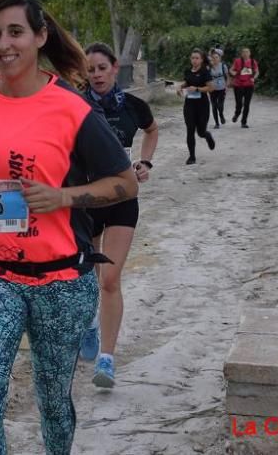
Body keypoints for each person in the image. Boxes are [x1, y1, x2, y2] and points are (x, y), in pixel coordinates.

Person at [0, 0, 139, 455]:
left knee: (51, 400)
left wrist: (63, 197)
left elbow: (126, 183)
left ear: (40, 37)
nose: (4, 44)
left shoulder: (72, 109)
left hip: (61, 280)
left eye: (15, 32)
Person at [80, 42, 159, 389]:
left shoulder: (133, 106)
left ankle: (107, 359)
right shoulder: (76, 106)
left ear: (115, 68)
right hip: (84, 201)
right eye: (90, 69)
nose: (96, 75)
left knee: (110, 280)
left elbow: (152, 129)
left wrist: (145, 162)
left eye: (101, 68)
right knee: (85, 280)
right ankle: (90, 326)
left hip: (123, 198)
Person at [178, 48, 216, 165]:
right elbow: (187, 82)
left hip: (202, 105)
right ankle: (192, 156)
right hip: (189, 104)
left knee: (200, 132)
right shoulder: (188, 71)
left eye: (197, 58)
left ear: (201, 59)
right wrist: (180, 87)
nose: (194, 60)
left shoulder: (205, 71)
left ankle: (207, 135)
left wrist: (197, 89)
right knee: (190, 130)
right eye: (193, 58)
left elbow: (211, 88)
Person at [231, 47, 260, 128]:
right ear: (241, 54)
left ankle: (244, 122)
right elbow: (231, 70)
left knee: (247, 104)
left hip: (249, 85)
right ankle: (237, 114)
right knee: (239, 103)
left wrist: (254, 78)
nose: (245, 54)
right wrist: (233, 73)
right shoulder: (237, 61)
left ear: (249, 53)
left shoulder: (252, 61)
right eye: (244, 52)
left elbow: (257, 71)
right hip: (238, 85)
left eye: (247, 52)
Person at [208, 48, 231, 129]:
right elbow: (206, 79)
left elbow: (228, 77)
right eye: (213, 58)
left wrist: (227, 86)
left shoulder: (223, 66)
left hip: (222, 88)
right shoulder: (209, 67)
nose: (215, 59)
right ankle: (217, 123)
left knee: (220, 105)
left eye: (216, 57)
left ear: (219, 58)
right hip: (212, 89)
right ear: (211, 58)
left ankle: (221, 115)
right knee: (214, 106)